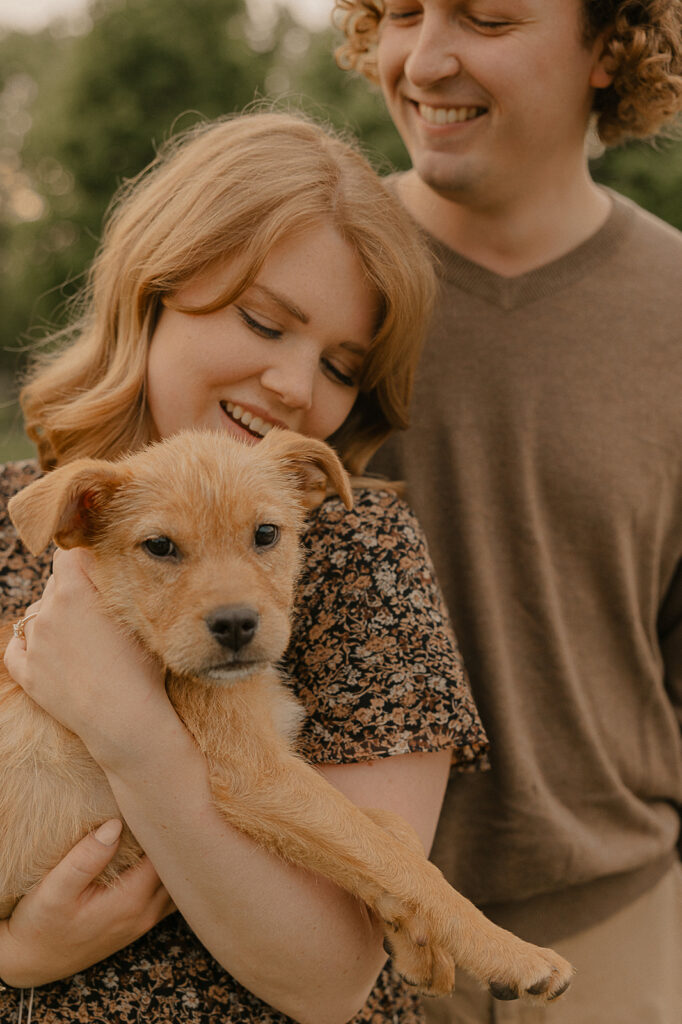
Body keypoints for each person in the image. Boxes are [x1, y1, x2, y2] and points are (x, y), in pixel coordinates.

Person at [0, 110, 490, 1024]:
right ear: (153, 289)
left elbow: (332, 977)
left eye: (343, 367)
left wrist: (130, 729)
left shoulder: (360, 555)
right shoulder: (22, 515)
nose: (297, 389)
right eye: (265, 322)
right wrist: (15, 953)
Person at [333, 1, 682, 1021]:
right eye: (399, 12)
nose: (423, 58)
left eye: (486, 18)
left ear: (611, 48)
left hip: (611, 938)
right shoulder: (304, 278)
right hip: (335, 943)